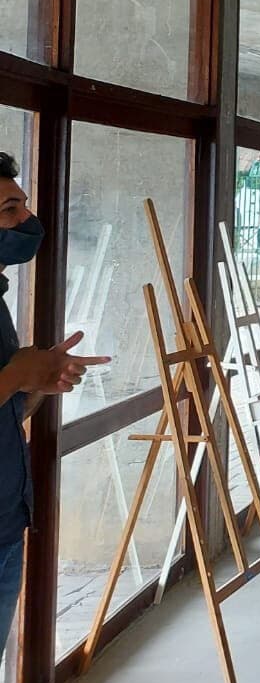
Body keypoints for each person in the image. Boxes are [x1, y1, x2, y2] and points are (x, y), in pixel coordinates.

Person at [0, 153, 110, 647]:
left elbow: (10, 408)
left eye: (22, 205)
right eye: (9, 209)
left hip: (6, 516)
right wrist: (17, 374)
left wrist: (39, 382)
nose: (27, 219)